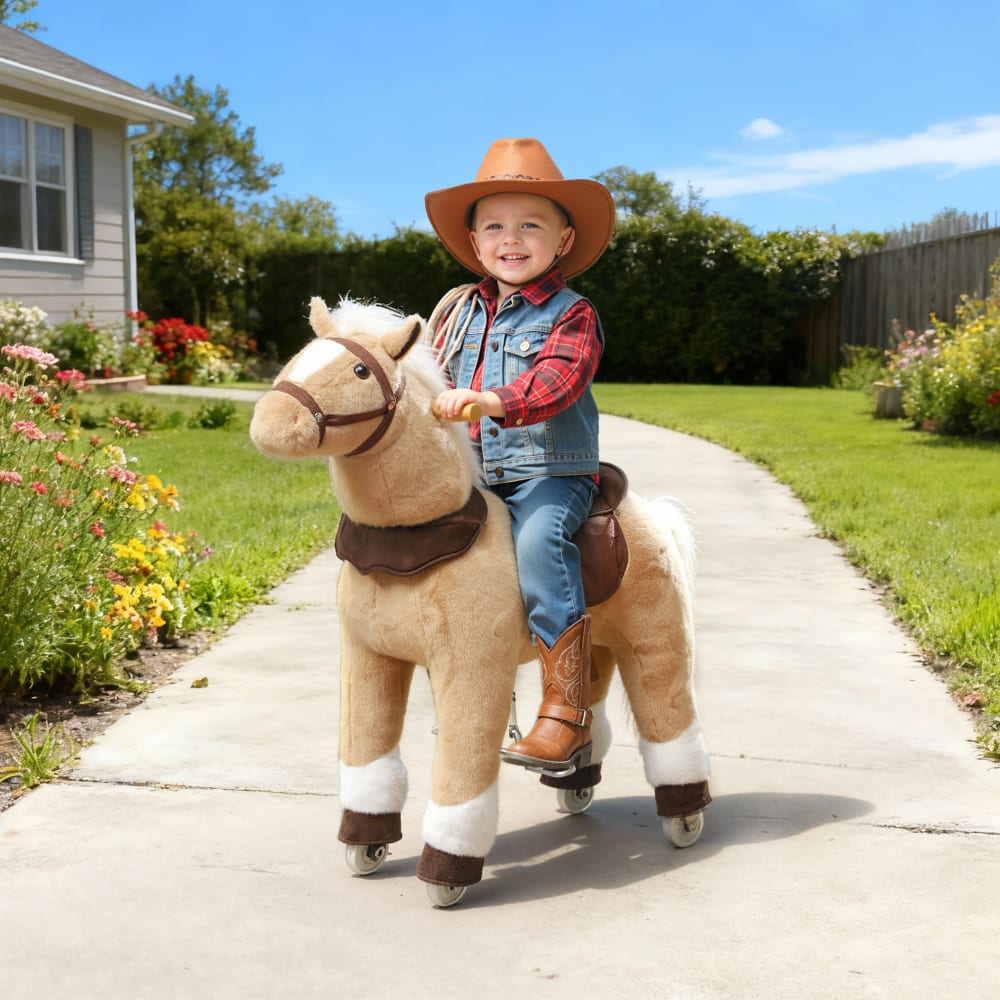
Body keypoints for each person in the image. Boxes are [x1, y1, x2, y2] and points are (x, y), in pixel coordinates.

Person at [424, 137, 616, 774]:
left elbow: (559, 381)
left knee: (539, 545)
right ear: (476, 243)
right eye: (495, 226)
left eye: (531, 225)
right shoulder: (456, 313)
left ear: (562, 240)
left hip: (546, 472)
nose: (512, 238)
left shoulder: (572, 313)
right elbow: (424, 373)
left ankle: (567, 712)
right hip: (475, 472)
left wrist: (491, 401)